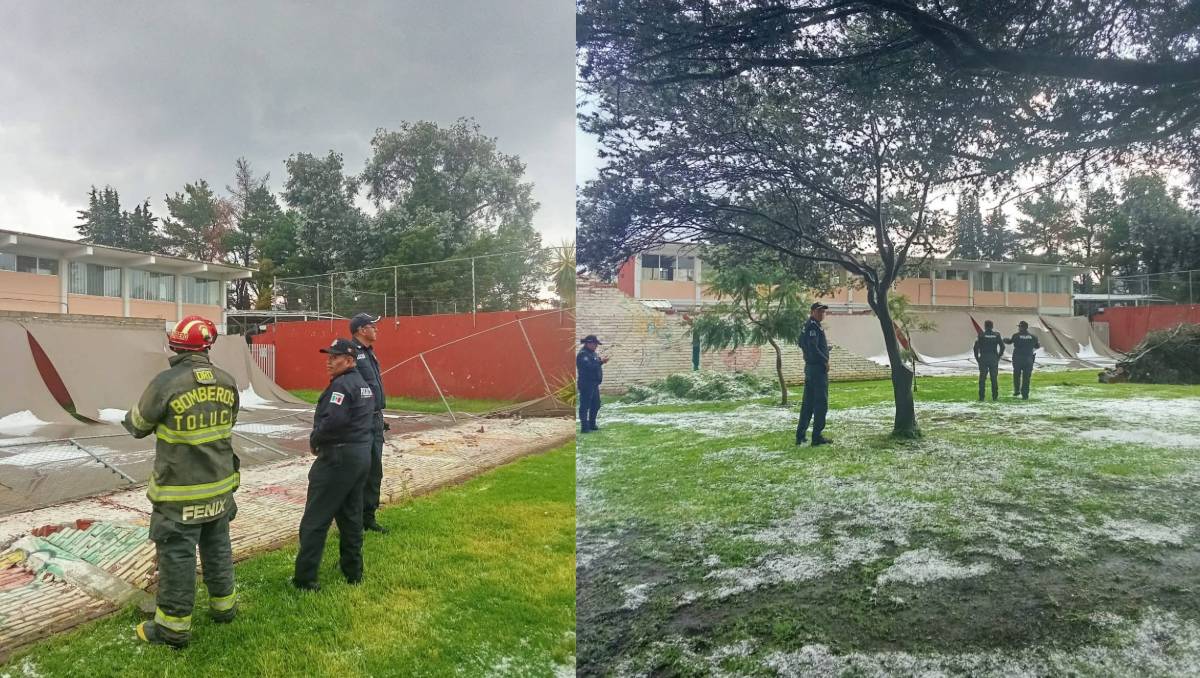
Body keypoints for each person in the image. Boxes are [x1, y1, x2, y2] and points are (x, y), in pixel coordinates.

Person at [123, 315, 240, 649]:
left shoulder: (166, 383)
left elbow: (137, 424)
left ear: (174, 345)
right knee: (218, 547)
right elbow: (227, 423)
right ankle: (224, 608)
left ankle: (172, 629)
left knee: (178, 556)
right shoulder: (228, 382)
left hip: (179, 495)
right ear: (208, 347)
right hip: (220, 488)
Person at [293, 338, 375, 591]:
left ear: (349, 361)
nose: (329, 361)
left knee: (315, 519)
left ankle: (305, 579)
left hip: (337, 458)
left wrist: (315, 440)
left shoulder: (341, 387)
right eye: (328, 356)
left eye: (335, 357)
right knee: (350, 515)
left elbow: (332, 423)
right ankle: (353, 570)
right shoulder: (363, 384)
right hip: (360, 455)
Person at [349, 313, 388, 534]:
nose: (376, 329)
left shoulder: (369, 353)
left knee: (375, 470)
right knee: (359, 471)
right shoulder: (351, 353)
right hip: (361, 421)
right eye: (373, 326)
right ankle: (353, 518)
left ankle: (368, 517)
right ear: (361, 330)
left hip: (375, 418)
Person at [796, 303, 832, 446]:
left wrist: (823, 349)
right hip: (817, 370)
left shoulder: (808, 325)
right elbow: (812, 345)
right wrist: (824, 360)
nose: (822, 313)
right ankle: (817, 437)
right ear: (812, 311)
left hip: (810, 369)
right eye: (819, 311)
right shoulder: (813, 326)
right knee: (821, 404)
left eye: (823, 311)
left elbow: (801, 342)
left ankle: (800, 435)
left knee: (808, 404)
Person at [577, 335, 608, 433]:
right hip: (586, 383)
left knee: (596, 404)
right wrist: (600, 362)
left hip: (594, 384)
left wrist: (601, 361)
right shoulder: (583, 354)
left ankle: (592, 424)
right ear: (588, 343)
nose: (596, 346)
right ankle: (584, 427)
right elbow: (588, 367)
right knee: (585, 405)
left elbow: (595, 364)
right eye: (595, 344)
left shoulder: (593, 353)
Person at [1005, 320, 1041, 399]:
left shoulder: (1016, 335)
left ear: (1022, 327)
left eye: (1020, 327)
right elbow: (1037, 346)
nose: (1019, 328)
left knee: (1016, 375)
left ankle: (1017, 390)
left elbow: (1010, 342)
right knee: (1026, 377)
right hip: (1028, 358)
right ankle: (1025, 394)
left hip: (1018, 358)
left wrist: (1004, 340)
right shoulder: (1033, 337)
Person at [973, 319, 1005, 401]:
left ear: (985, 326)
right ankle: (995, 396)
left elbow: (975, 348)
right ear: (992, 326)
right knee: (994, 378)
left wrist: (977, 358)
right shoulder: (996, 335)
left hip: (983, 357)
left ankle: (981, 397)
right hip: (993, 358)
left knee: (982, 378)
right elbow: (1002, 346)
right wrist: (998, 356)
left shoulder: (981, 335)